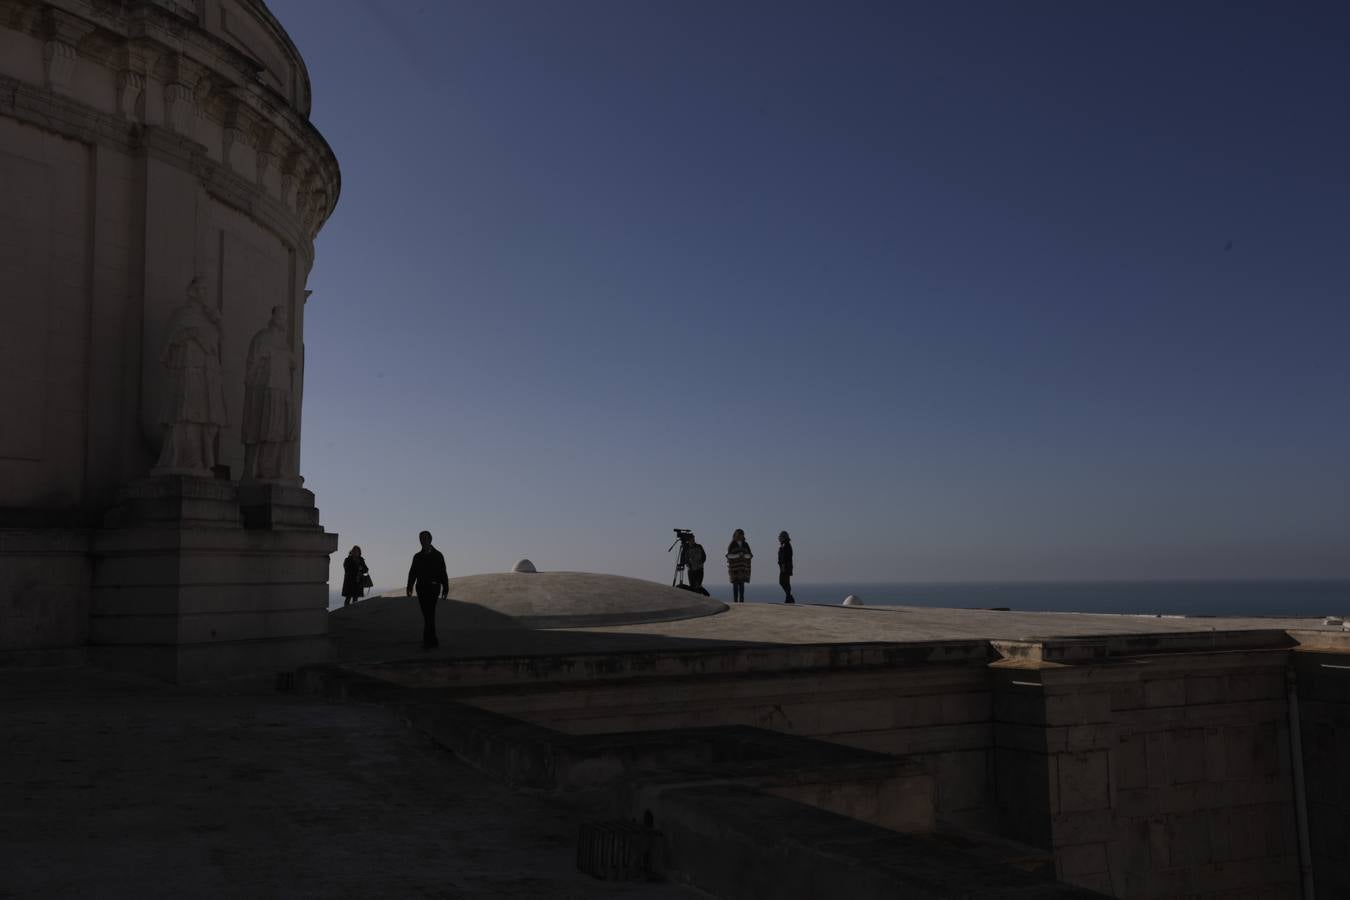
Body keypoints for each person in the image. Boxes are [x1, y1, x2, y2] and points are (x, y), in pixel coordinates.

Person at [406, 530, 449, 649]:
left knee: (429, 614)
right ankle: (432, 640)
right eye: (421, 539)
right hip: (421, 589)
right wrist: (409, 587)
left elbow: (443, 573)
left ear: (430, 540)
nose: (423, 541)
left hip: (434, 588)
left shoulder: (438, 555)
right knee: (427, 614)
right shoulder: (417, 556)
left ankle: (428, 641)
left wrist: (445, 588)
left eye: (425, 538)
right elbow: (412, 573)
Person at [726, 529, 752, 603]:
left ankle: (741, 601)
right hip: (734, 568)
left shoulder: (745, 544)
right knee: (735, 584)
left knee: (742, 584)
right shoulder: (732, 544)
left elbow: (750, 555)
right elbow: (729, 555)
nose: (740, 536)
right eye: (739, 534)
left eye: (741, 534)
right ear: (735, 535)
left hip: (743, 568)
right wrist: (738, 555)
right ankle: (735, 601)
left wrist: (744, 555)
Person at [777, 531, 796, 604]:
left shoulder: (786, 545)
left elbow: (785, 557)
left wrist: (783, 565)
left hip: (785, 566)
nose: (779, 538)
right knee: (785, 582)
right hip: (784, 566)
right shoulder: (784, 545)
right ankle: (788, 597)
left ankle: (789, 597)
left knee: (783, 582)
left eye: (780, 536)